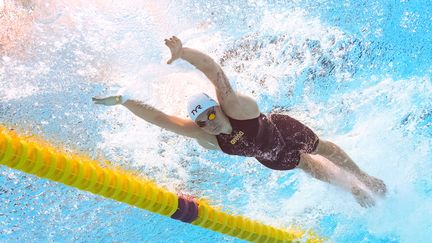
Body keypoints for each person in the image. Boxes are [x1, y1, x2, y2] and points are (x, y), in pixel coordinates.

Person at [93, 36, 386, 207]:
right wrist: (124, 101)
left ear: (217, 108)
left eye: (211, 113)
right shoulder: (208, 137)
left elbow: (213, 71)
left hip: (283, 130)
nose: (210, 122)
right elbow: (160, 119)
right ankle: (352, 190)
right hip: (269, 156)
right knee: (305, 166)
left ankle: (363, 176)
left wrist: (183, 54)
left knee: (318, 148)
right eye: (203, 121)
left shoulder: (235, 107)